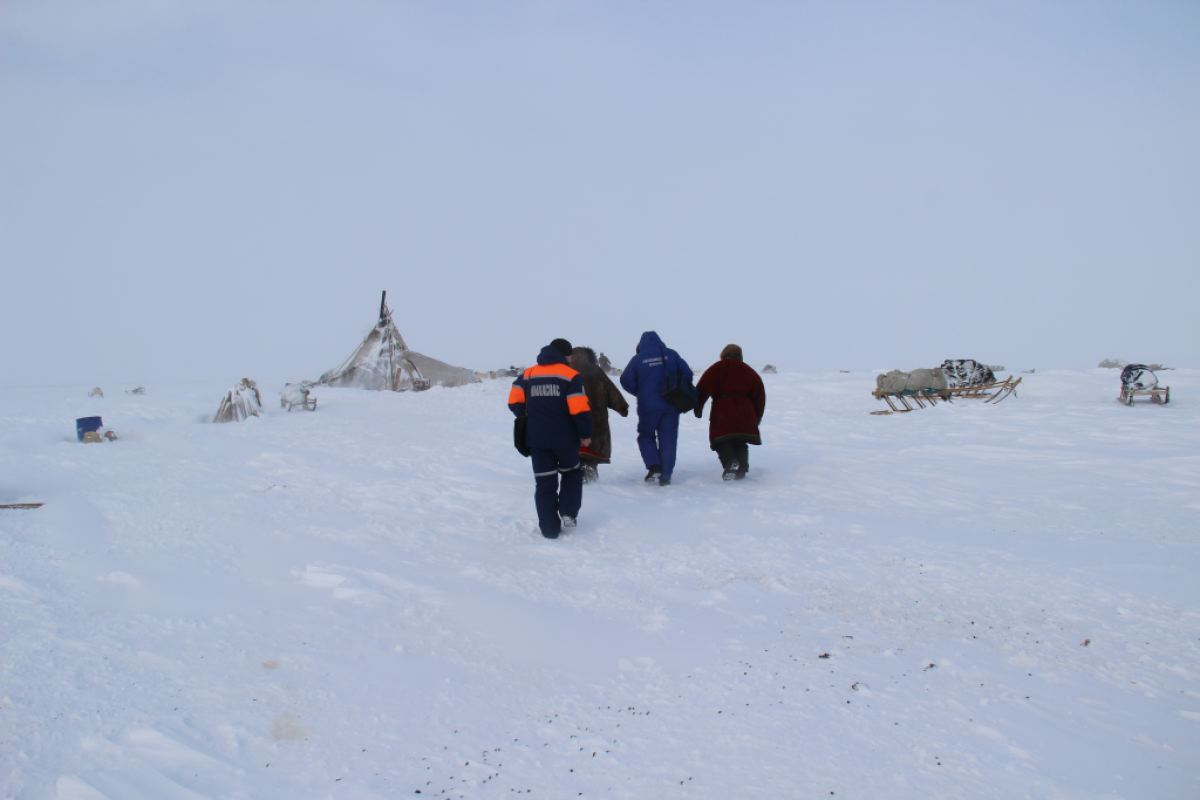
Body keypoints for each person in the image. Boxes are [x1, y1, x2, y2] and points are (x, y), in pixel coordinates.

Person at [508, 339, 594, 539]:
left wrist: (530, 417)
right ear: (565, 355)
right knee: (572, 474)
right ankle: (568, 512)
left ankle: (549, 529)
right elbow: (579, 408)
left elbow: (514, 401)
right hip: (565, 439)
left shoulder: (528, 374)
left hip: (537, 440)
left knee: (545, 483)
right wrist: (585, 434)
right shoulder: (571, 375)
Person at [620, 331, 693, 486]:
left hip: (648, 405)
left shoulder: (637, 359)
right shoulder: (671, 354)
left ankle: (654, 466)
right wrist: (678, 388)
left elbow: (625, 379)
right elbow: (687, 373)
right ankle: (665, 476)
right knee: (668, 439)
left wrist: (640, 391)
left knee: (646, 435)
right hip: (671, 403)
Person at [694, 344, 766, 480]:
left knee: (720, 439)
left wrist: (698, 406)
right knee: (740, 440)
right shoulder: (749, 371)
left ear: (723, 355)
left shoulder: (717, 368)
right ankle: (742, 469)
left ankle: (730, 462)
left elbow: (703, 386)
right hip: (745, 411)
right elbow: (760, 395)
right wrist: (757, 416)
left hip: (723, 409)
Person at [569, 347, 630, 483]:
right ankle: (590, 467)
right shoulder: (595, 371)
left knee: (574, 445)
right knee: (593, 443)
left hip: (573, 416)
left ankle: (578, 471)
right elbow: (610, 390)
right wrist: (621, 406)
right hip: (596, 416)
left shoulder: (566, 372)